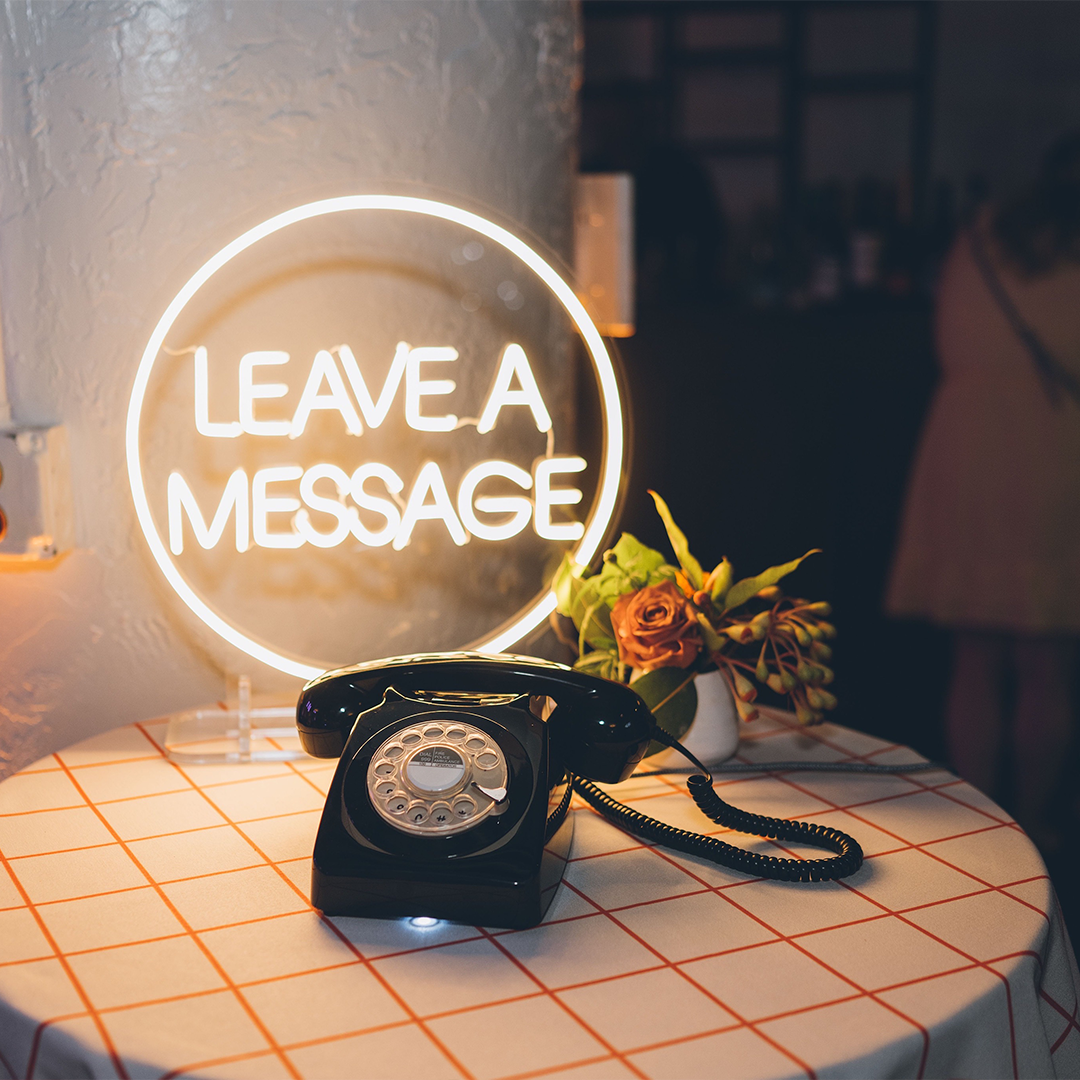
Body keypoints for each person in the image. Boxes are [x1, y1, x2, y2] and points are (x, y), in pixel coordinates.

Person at [887, 133, 1080, 850]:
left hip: (966, 453)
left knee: (973, 656)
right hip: (1055, 452)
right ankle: (1034, 820)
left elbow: (948, 333)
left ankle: (984, 820)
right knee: (1046, 662)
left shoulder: (981, 237)